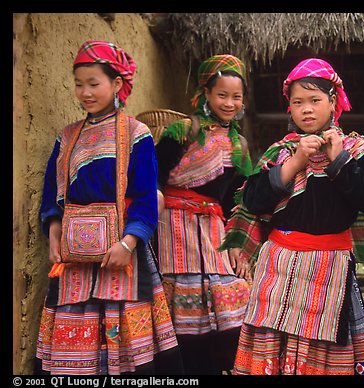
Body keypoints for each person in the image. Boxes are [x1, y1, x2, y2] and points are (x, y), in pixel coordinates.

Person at [223, 58, 364, 375]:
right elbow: (254, 200)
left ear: (334, 103)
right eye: (298, 102)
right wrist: (297, 160)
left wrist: (339, 160)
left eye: (315, 100)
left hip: (332, 269)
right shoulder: (281, 151)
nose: (307, 109)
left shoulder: (356, 149)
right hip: (280, 269)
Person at [36, 40, 182, 375]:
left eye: (93, 83)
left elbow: (146, 193)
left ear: (116, 84)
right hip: (73, 258)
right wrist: (54, 230)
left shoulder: (136, 134)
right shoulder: (67, 136)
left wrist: (128, 242)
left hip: (121, 252)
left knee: (127, 354)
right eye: (78, 84)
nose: (85, 92)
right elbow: (52, 192)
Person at [154, 54, 254, 375]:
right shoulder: (183, 130)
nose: (229, 102)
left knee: (229, 310)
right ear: (206, 94)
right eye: (222, 95)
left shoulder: (240, 145)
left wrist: (241, 244)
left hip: (214, 230)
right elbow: (152, 177)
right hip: (173, 227)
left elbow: (242, 198)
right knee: (182, 319)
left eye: (236, 96)